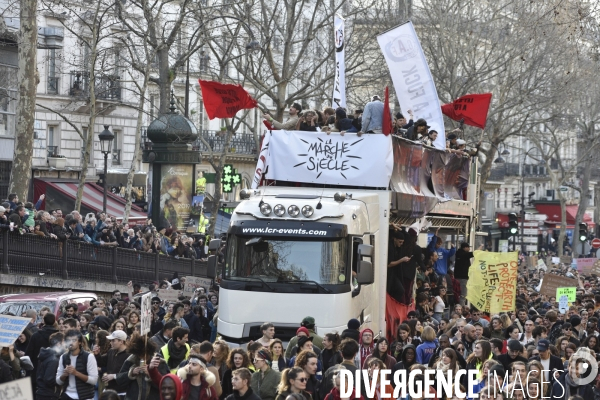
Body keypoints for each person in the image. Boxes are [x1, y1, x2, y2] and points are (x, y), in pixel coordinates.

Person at [56, 329, 98, 400]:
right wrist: (64, 375)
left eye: (74, 340)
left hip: (85, 396)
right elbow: (58, 381)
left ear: (80, 342)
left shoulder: (88, 357)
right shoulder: (63, 357)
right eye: (69, 340)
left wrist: (76, 373)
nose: (71, 343)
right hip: (67, 395)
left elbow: (93, 380)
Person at [95, 330, 130, 396]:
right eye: (111, 340)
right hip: (109, 390)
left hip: (122, 392)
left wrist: (114, 376)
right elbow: (102, 363)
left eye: (113, 340)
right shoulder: (111, 351)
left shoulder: (129, 355)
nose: (111, 343)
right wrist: (97, 355)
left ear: (121, 341)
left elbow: (129, 374)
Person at [36, 332, 65, 400]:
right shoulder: (53, 359)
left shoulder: (48, 355)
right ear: (58, 344)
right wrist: (62, 378)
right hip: (48, 395)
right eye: (64, 342)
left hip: (44, 393)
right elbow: (49, 379)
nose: (65, 345)